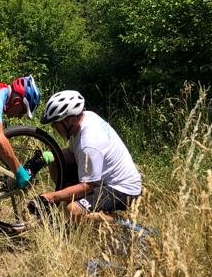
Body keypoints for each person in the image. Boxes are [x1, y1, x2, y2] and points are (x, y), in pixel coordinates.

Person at [36, 89, 142, 221]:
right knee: (55, 162)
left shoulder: (89, 143)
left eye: (56, 124)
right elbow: (73, 154)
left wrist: (52, 197)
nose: (54, 128)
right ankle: (76, 204)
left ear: (71, 120)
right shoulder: (86, 117)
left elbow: (87, 186)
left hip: (122, 189)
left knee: (73, 211)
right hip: (103, 180)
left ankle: (121, 226)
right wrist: (46, 157)